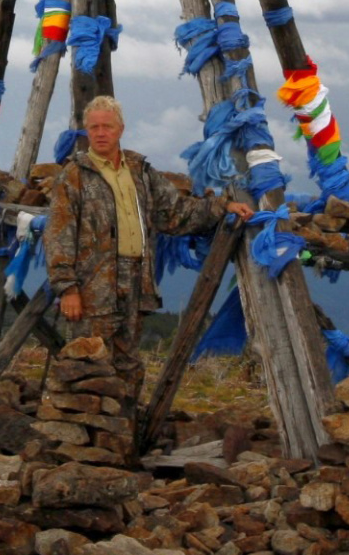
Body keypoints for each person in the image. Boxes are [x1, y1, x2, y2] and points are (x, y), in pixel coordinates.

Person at [45, 94, 254, 399]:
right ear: (86, 132)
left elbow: (175, 214)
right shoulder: (73, 177)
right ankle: (86, 438)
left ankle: (125, 436)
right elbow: (58, 235)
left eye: (107, 126)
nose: (101, 133)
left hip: (135, 286)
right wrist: (67, 288)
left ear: (121, 129)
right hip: (91, 290)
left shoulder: (140, 171)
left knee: (129, 366)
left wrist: (223, 207)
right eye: (94, 127)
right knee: (88, 366)